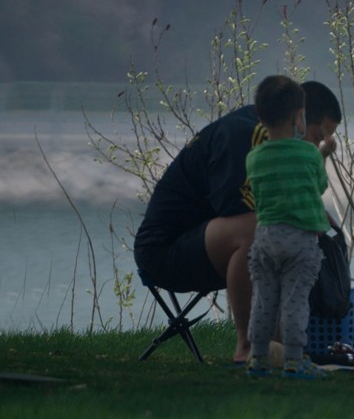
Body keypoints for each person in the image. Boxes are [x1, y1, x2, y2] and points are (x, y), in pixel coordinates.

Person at [133, 80, 341, 363]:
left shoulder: (274, 139)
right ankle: (248, 346)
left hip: (206, 244)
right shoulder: (246, 133)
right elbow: (235, 209)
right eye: (316, 137)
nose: (315, 147)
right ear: (299, 118)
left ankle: (277, 347)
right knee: (262, 231)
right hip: (164, 252)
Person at [244, 75, 330, 380]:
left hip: (265, 238)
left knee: (263, 300)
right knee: (295, 301)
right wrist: (323, 155)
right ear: (298, 116)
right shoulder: (309, 153)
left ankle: (258, 357)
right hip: (300, 241)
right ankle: (294, 359)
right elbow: (319, 185)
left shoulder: (254, 158)